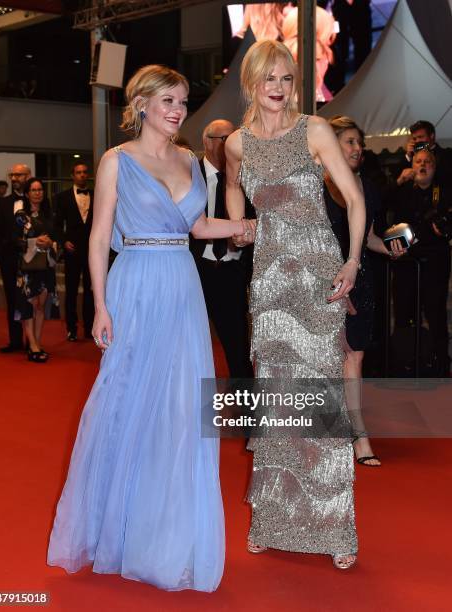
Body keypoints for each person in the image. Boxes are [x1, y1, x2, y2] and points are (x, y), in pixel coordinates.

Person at [47, 64, 253, 592]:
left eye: (183, 101)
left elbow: (199, 227)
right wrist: (100, 306)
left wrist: (247, 226)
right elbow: (97, 239)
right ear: (140, 105)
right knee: (129, 400)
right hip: (135, 283)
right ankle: (113, 528)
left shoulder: (190, 160)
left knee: (181, 408)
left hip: (183, 286)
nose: (178, 110)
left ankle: (165, 532)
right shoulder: (116, 161)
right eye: (168, 100)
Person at [225, 40, 366, 570]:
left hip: (315, 278)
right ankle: (272, 520)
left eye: (287, 78)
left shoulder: (315, 129)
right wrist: (242, 230)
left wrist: (351, 262)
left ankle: (334, 527)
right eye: (270, 79)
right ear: (252, 84)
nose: (279, 88)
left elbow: (353, 199)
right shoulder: (236, 143)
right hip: (268, 283)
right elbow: (235, 192)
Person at [324, 116, 406, 466]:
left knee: (353, 356)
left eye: (360, 143)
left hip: (360, 281)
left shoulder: (367, 188)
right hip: (323, 281)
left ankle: (358, 435)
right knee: (322, 361)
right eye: (350, 142)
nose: (358, 149)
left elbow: (368, 236)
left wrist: (390, 249)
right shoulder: (314, 185)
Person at [190, 119, 254, 379]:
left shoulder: (246, 178)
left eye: (234, 138)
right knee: (189, 344)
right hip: (194, 271)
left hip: (232, 272)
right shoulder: (189, 175)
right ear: (207, 141)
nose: (231, 144)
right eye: (224, 138)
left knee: (238, 347)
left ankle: (248, 413)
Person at [391, 148, 452, 376]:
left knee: (435, 314)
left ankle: (440, 365)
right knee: (404, 312)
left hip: (435, 263)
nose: (423, 165)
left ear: (434, 168)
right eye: (418, 161)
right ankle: (403, 362)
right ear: (412, 165)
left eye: (428, 162)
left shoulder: (444, 192)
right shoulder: (403, 191)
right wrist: (398, 181)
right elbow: (381, 202)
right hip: (407, 263)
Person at [14, 178, 57, 362]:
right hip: (27, 267)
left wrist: (51, 243)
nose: (38, 193)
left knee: (40, 306)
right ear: (27, 193)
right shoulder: (20, 216)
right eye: (33, 190)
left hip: (45, 267)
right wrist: (34, 242)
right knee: (28, 306)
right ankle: (31, 345)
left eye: (40, 190)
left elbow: (57, 238)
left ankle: (37, 343)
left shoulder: (49, 215)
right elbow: (14, 240)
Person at [54, 163, 94, 341]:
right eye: (78, 172)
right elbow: (56, 224)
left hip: (92, 250)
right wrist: (63, 241)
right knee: (70, 291)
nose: (82, 175)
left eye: (85, 172)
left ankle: (90, 327)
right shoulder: (62, 197)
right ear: (72, 175)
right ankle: (71, 328)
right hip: (72, 250)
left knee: (91, 291)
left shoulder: (97, 195)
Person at [0, 163, 31, 352]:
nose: (14, 178)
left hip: (30, 257)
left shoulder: (35, 199)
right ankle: (15, 341)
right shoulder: (3, 202)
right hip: (8, 257)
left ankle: (32, 341)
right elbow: (0, 230)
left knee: (29, 298)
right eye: (12, 175)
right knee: (12, 299)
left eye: (19, 175)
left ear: (28, 176)